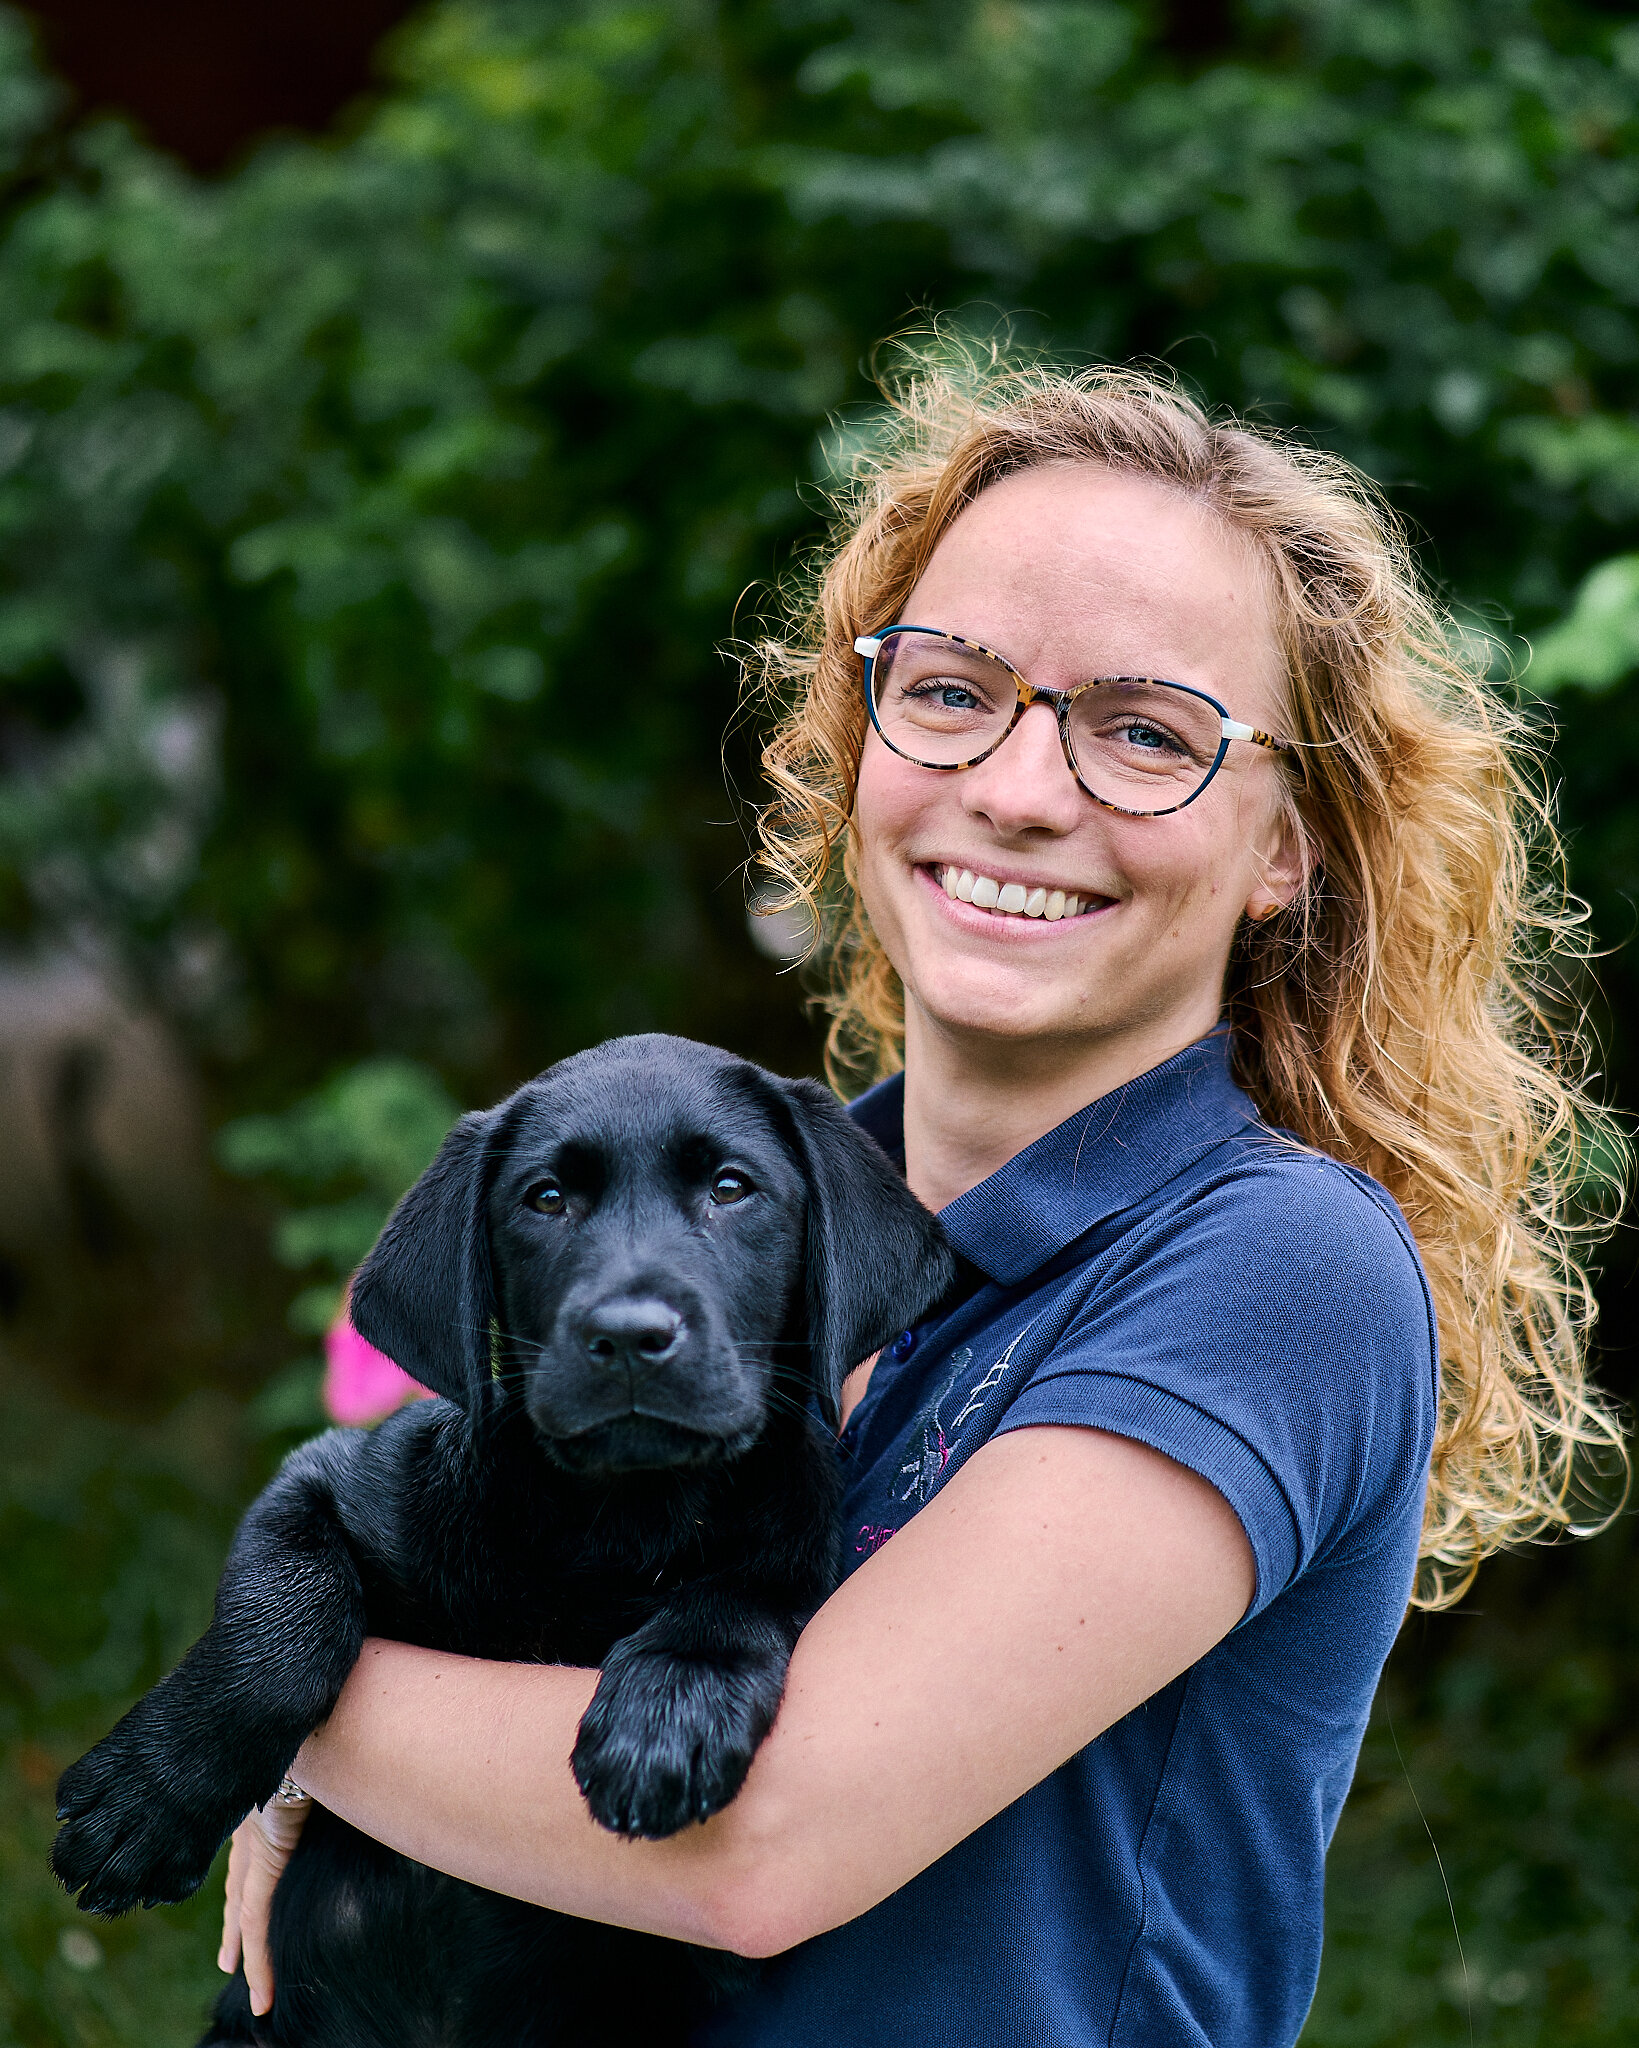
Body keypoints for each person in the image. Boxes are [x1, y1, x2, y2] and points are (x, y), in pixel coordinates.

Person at [218, 360, 1624, 2046]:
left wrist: (276, 1702)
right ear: (859, 736)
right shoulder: (769, 1233)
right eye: (952, 690)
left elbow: (765, 1840)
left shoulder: (1276, 1264)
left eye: (1146, 732)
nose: (1023, 789)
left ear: (1285, 852)